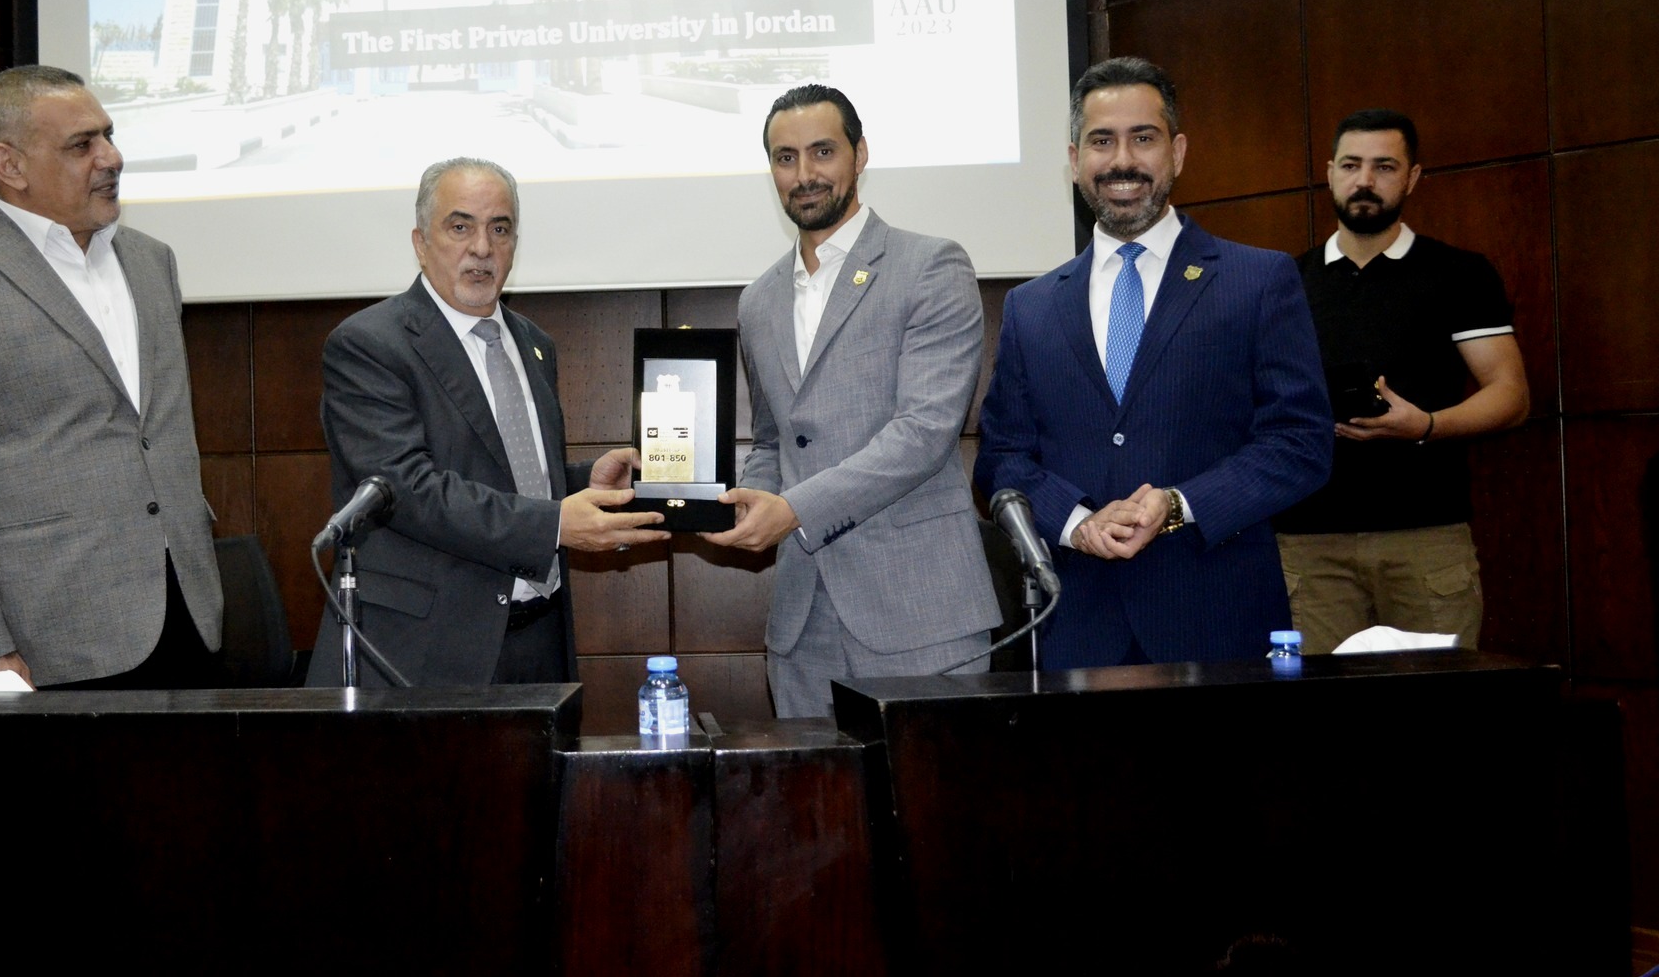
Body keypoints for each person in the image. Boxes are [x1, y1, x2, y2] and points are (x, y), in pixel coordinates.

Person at [973, 57, 1332, 669]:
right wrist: (1076, 522)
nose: (1122, 161)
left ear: (1178, 152)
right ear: (1074, 160)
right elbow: (1002, 457)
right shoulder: (1032, 307)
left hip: (1217, 621)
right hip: (1078, 628)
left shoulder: (1257, 280)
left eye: (1143, 138)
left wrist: (1178, 505)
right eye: (1101, 141)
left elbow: (1302, 443)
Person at [0, 65, 224, 688]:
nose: (111, 158)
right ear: (10, 165)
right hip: (50, 635)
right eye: (81, 145)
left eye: (109, 136)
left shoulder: (152, 261)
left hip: (187, 613)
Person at [313, 157, 669, 687]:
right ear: (420, 242)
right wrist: (555, 523)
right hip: (426, 653)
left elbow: (506, 475)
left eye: (499, 230)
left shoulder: (534, 343)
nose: (482, 247)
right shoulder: (369, 344)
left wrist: (583, 485)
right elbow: (405, 489)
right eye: (461, 227)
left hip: (540, 639)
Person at [702, 85, 1000, 718]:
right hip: (802, 625)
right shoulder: (758, 300)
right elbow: (775, 441)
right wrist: (741, 504)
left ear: (860, 154)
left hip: (920, 613)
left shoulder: (931, 265)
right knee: (812, 786)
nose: (804, 175)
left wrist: (791, 510)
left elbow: (924, 433)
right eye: (785, 158)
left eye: (822, 151)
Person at [1273, 109, 1529, 653]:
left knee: (1433, 700)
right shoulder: (1284, 282)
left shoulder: (1459, 274)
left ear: (1412, 177)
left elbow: (1510, 395)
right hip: (1308, 543)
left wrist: (1426, 425)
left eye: (1384, 167)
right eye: (1351, 165)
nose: (1365, 180)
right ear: (1329, 173)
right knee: (1313, 704)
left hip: (1426, 536)